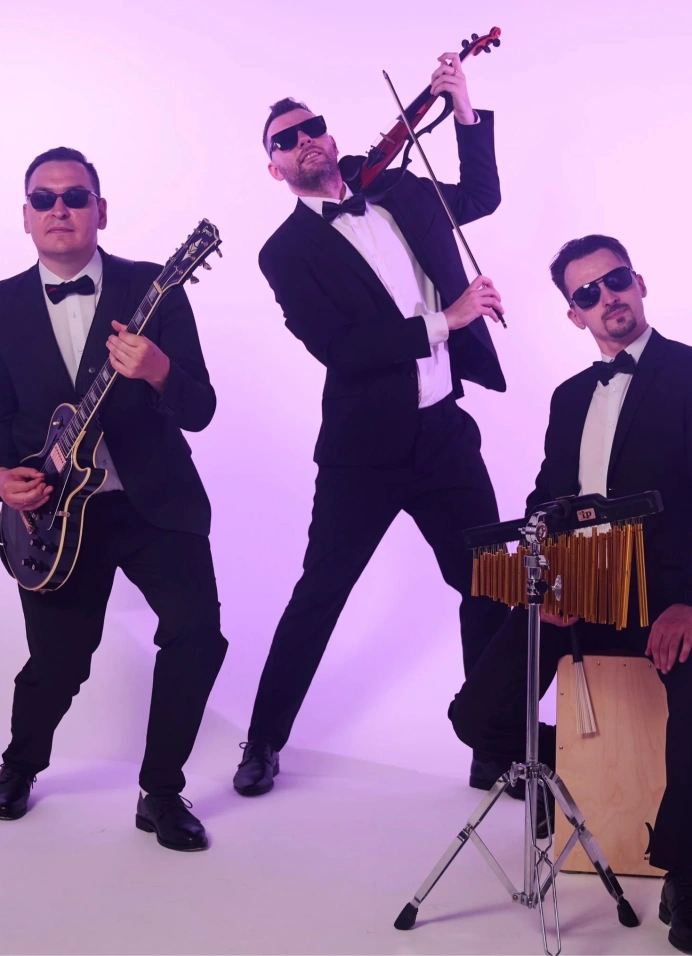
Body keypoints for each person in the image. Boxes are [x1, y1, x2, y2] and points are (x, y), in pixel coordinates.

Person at [233, 52, 509, 798]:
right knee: (321, 593)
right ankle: (262, 741)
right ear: (274, 168)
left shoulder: (402, 194)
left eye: (312, 128)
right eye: (286, 140)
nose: (305, 141)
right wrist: (445, 321)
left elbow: (480, 196)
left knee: (489, 582)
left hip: (443, 435)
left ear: (331, 137)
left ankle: (491, 748)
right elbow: (341, 348)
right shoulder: (284, 253)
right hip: (363, 451)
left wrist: (462, 108)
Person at [450, 234, 692, 953]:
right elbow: (545, 500)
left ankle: (682, 865)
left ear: (639, 283)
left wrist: (689, 602)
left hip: (669, 598)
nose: (606, 297)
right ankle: (567, 785)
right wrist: (546, 576)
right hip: (579, 593)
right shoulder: (568, 398)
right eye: (587, 292)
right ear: (573, 313)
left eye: (615, 280)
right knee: (478, 716)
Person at [0, 147, 228, 852]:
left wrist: (159, 371)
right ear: (26, 216)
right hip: (51, 513)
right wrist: (0, 477)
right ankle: (19, 765)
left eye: (76, 196)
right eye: (44, 198)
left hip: (153, 502)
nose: (60, 209)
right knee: (60, 662)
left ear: (100, 210)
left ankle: (160, 792)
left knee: (197, 635)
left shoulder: (155, 287)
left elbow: (200, 408)